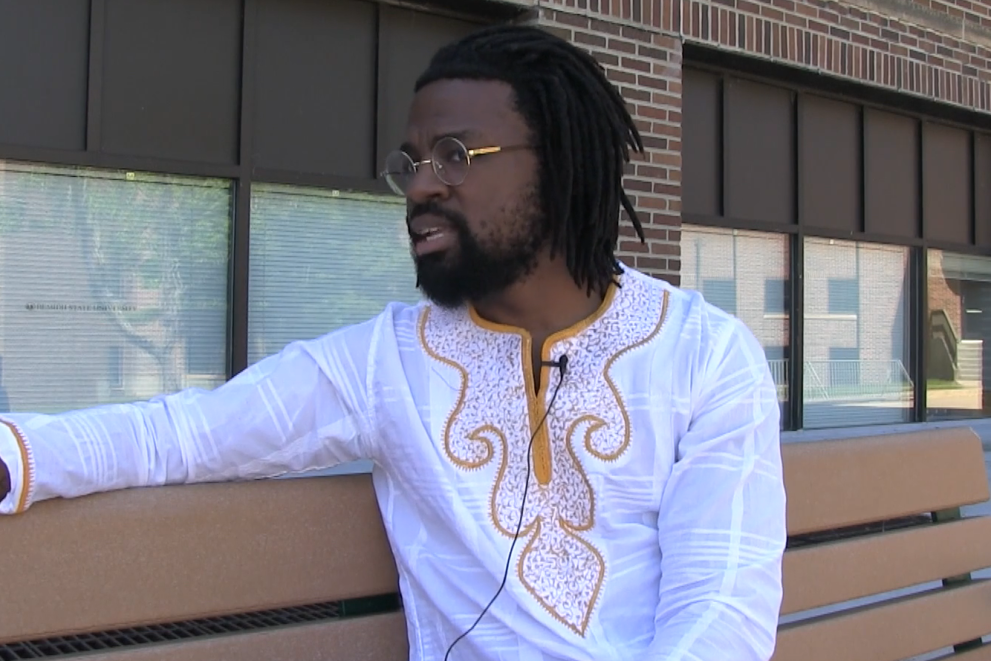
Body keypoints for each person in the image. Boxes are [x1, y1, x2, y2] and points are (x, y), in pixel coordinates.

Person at [0, 25, 786, 661]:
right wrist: (18, 455)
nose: (418, 187)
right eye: (409, 163)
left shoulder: (705, 355)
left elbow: (720, 609)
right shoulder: (385, 363)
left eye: (454, 156)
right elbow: (183, 435)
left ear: (558, 166)